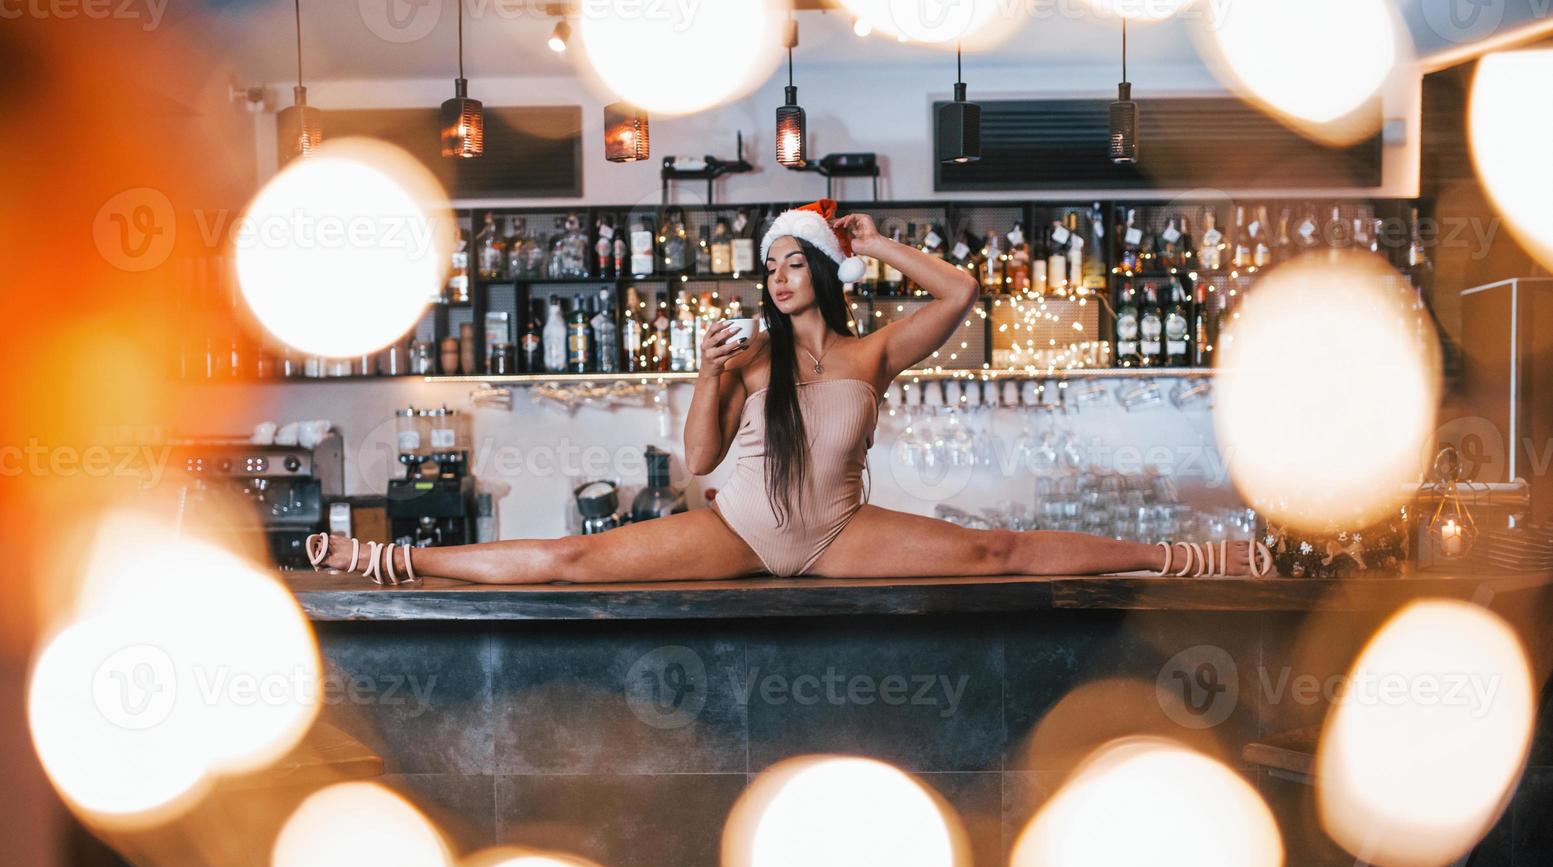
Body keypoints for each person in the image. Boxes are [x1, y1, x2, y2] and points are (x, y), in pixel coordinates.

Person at [308, 200, 1273, 585]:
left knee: (996, 549)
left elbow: (964, 291)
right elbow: (694, 462)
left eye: (791, 261)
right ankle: (389, 565)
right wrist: (709, 371)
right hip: (737, 526)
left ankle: (1187, 557)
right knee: (572, 558)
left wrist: (873, 241)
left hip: (837, 532)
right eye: (765, 265)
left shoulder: (874, 353)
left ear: (821, 266)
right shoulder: (749, 358)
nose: (775, 276)